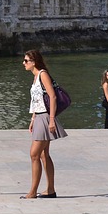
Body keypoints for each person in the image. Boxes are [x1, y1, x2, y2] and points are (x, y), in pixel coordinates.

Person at [22, 49, 66, 199]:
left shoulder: (42, 74)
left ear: (34, 62)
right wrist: (33, 119)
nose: (24, 63)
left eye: (26, 61)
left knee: (34, 154)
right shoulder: (35, 77)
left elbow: (52, 97)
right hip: (39, 117)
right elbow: (37, 100)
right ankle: (50, 190)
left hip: (46, 117)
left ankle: (33, 192)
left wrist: (52, 119)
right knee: (43, 155)